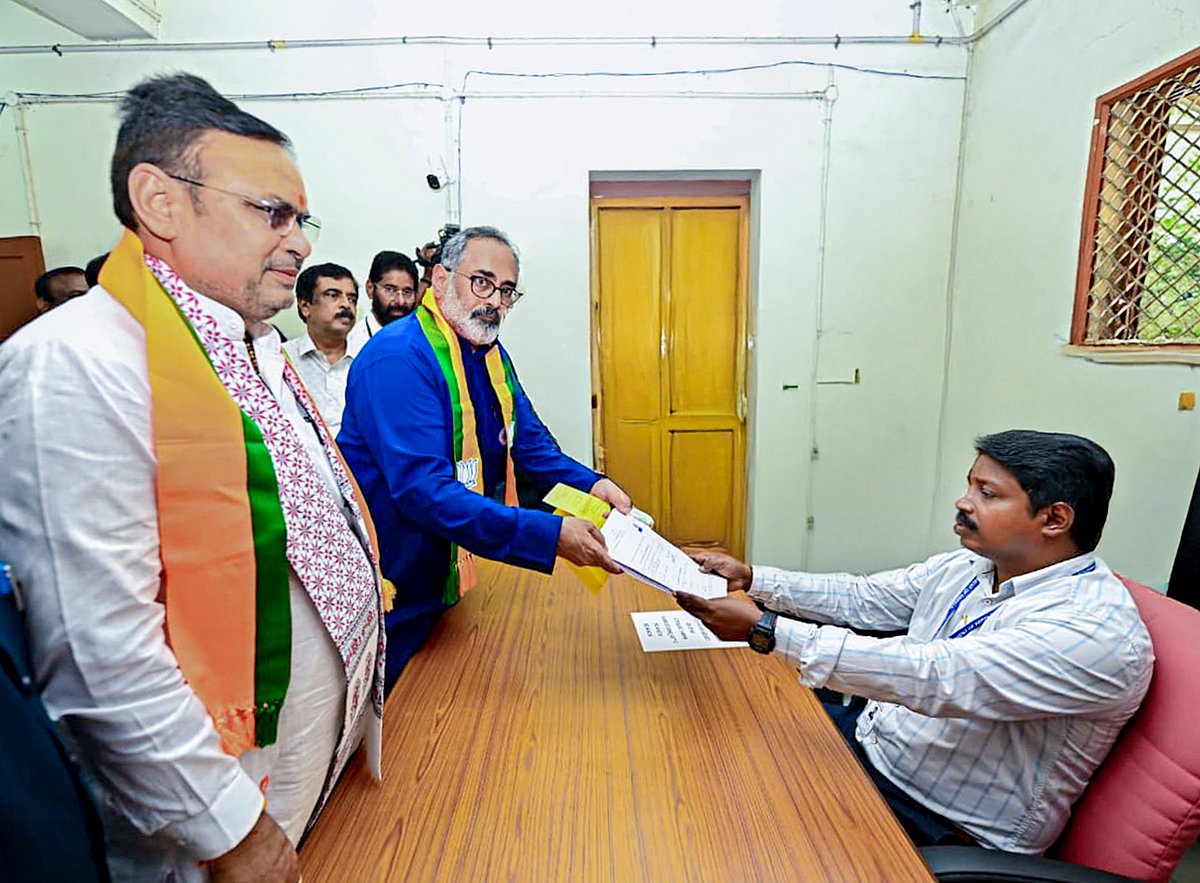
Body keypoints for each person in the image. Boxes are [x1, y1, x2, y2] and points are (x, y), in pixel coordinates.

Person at [0, 73, 388, 882]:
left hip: (315, 783)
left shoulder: (252, 347)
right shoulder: (74, 365)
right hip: (215, 832)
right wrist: (232, 830)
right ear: (160, 201)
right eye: (272, 212)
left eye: (302, 218)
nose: (301, 242)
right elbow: (100, 652)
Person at [675, 430, 1153, 855]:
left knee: (727, 827)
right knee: (711, 749)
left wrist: (766, 630)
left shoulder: (1092, 632)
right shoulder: (973, 565)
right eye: (969, 485)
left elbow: (934, 677)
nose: (963, 502)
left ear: (1054, 519)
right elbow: (864, 598)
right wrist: (753, 578)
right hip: (871, 744)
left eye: (987, 493)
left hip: (935, 819)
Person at [339, 225, 630, 691]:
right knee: (404, 727)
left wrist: (593, 484)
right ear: (439, 279)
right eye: (482, 282)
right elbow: (423, 492)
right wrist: (549, 533)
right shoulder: (398, 359)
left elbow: (531, 444)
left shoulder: (488, 354)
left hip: (456, 572)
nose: (494, 300)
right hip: (400, 583)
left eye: (507, 291)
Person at [283, 262, 362, 436]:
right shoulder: (281, 359)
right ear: (305, 306)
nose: (346, 305)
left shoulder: (368, 361)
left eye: (352, 299)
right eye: (333, 295)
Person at [352, 249, 420, 342]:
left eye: (407, 292)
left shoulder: (420, 341)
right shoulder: (352, 341)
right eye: (390, 290)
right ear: (370, 288)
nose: (400, 301)